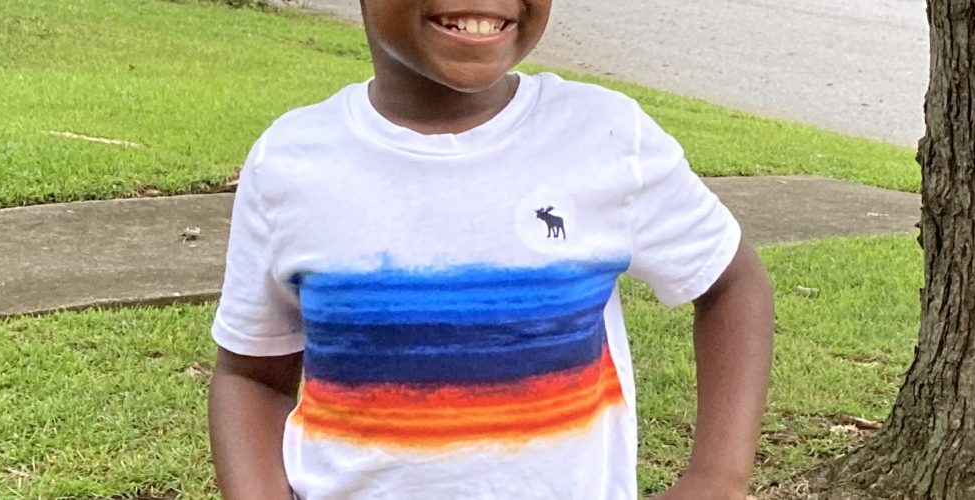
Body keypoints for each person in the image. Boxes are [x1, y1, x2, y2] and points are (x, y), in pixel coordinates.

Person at [205, 0, 775, 498]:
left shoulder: (605, 137)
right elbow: (252, 375)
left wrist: (716, 478)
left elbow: (731, 283)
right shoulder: (291, 162)